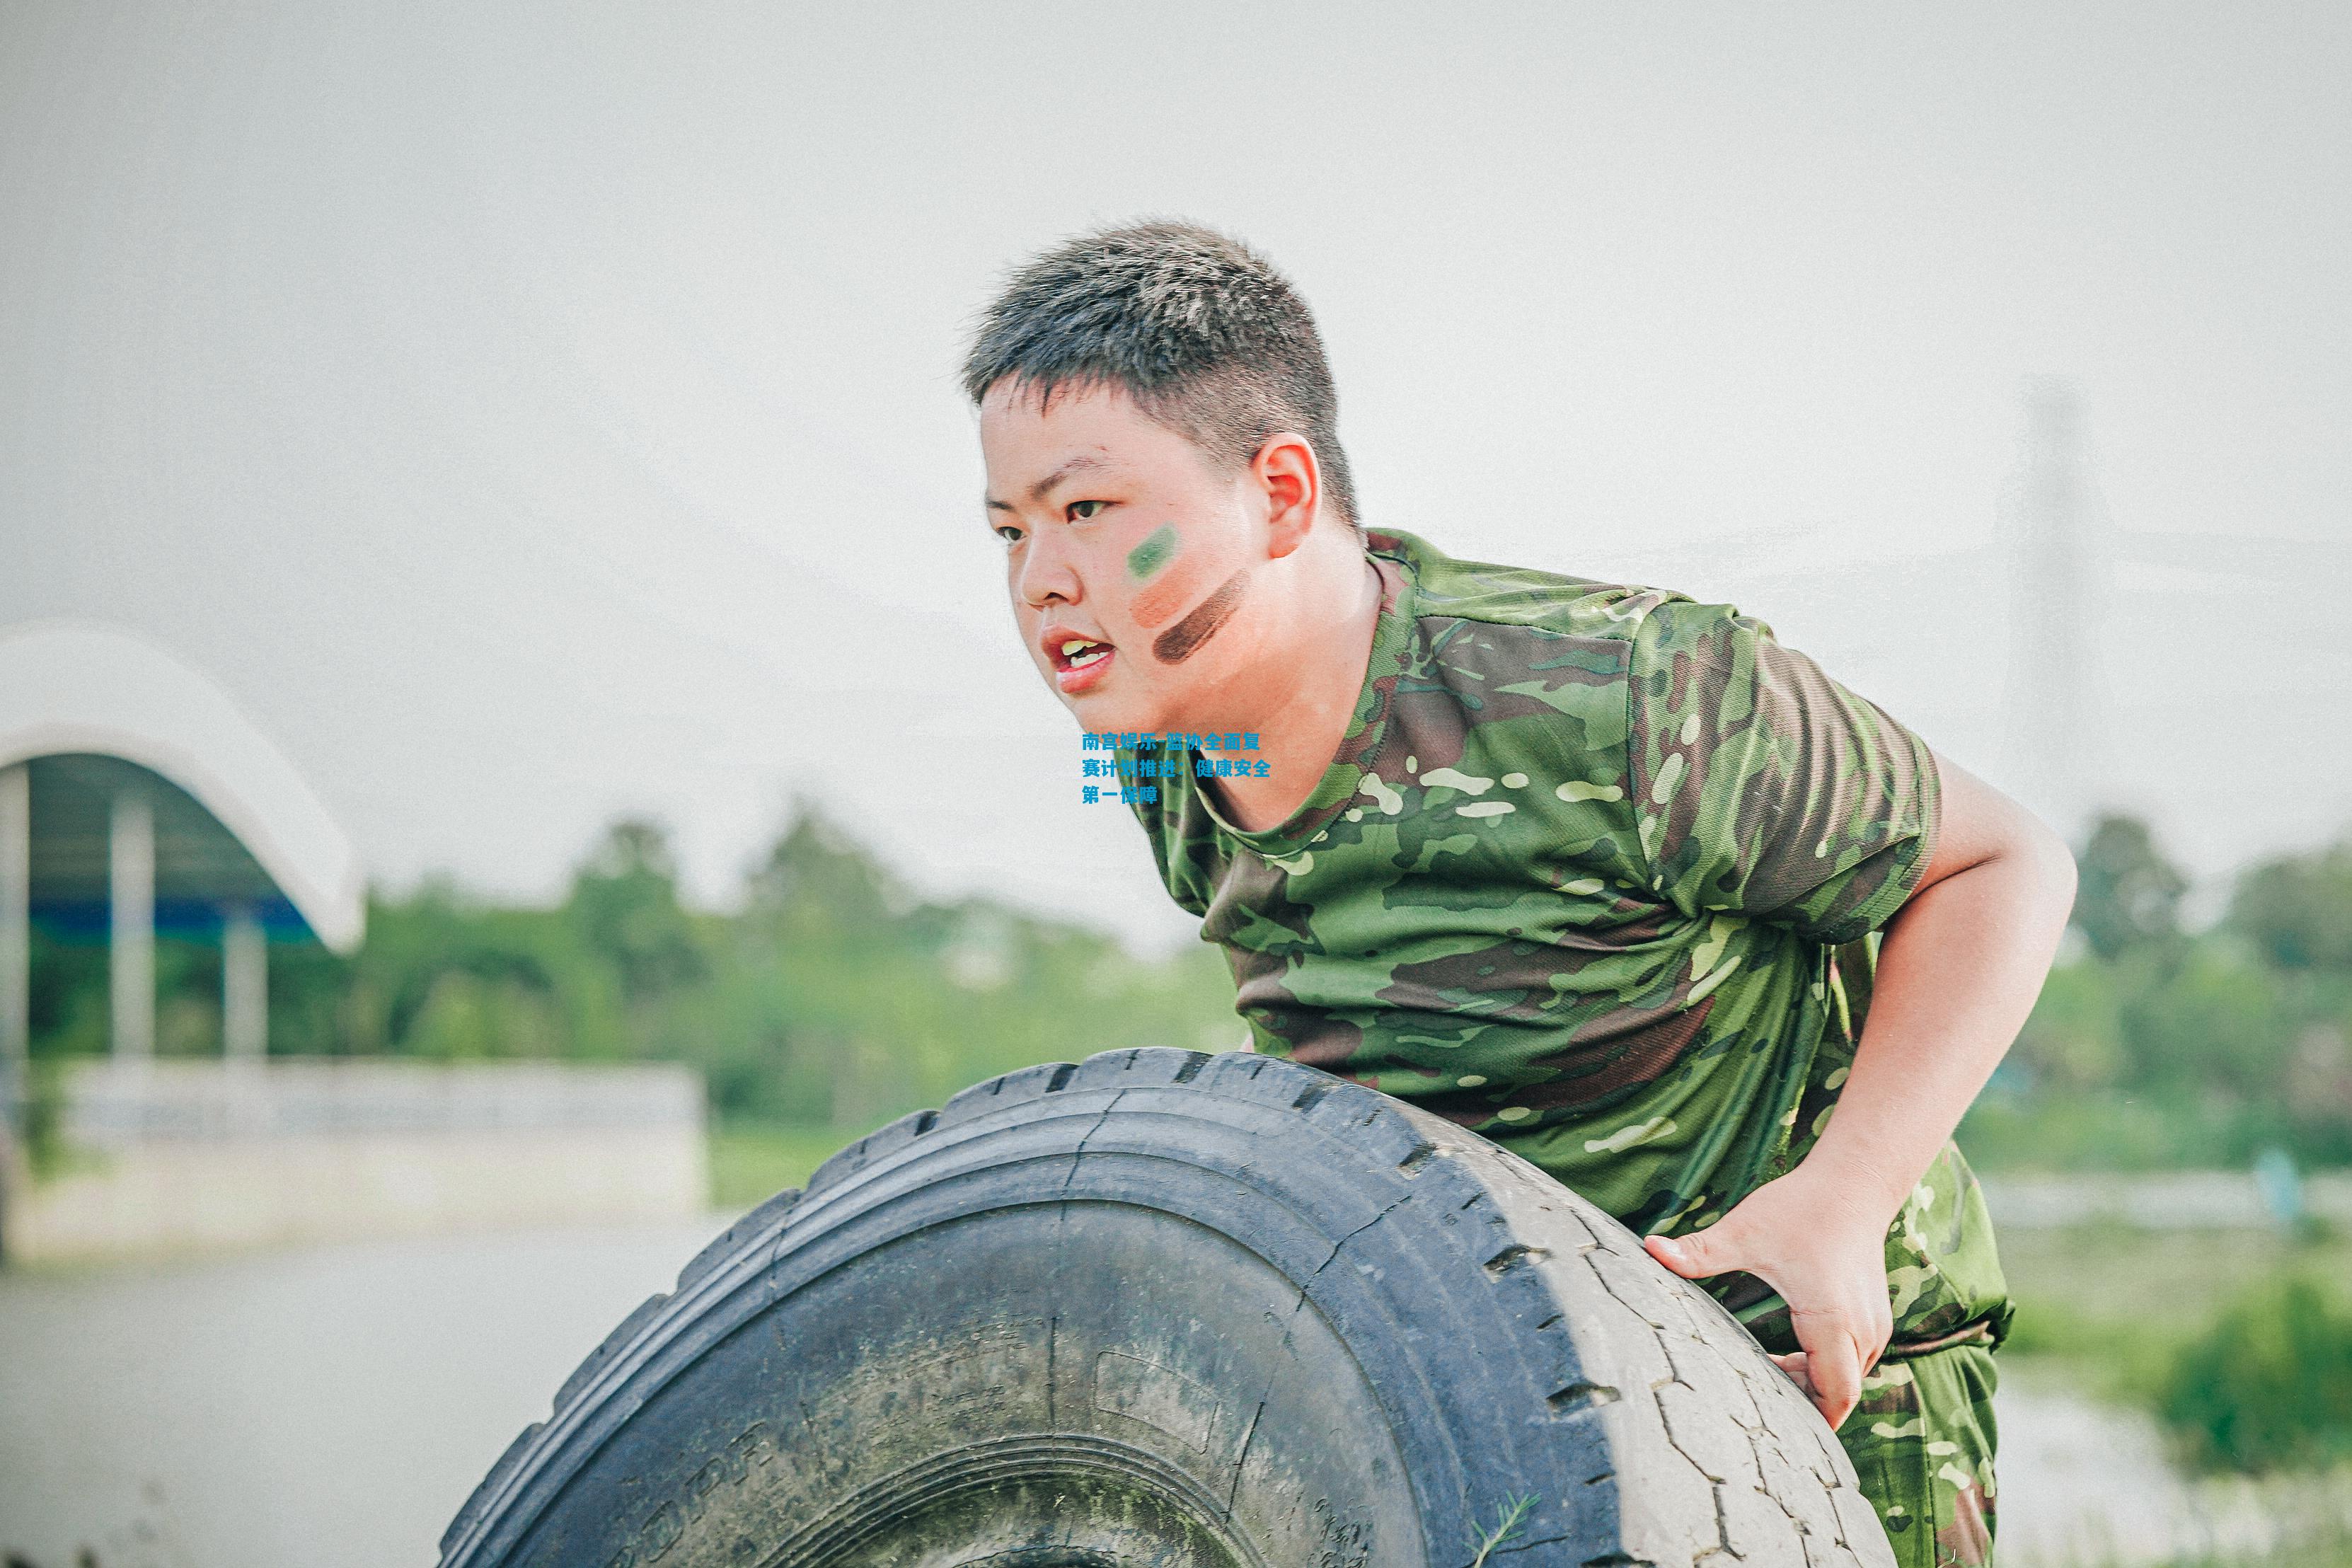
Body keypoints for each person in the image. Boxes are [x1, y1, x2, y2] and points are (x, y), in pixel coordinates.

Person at [960, 219, 2076, 1567]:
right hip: (1512, 1388)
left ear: (1280, 494)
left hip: (1820, 1375)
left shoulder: (1626, 693)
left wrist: (1844, 1201)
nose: (1041, 581)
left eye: (1087, 511)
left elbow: (2004, 862)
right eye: (1009, 528)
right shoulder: (1164, 761)